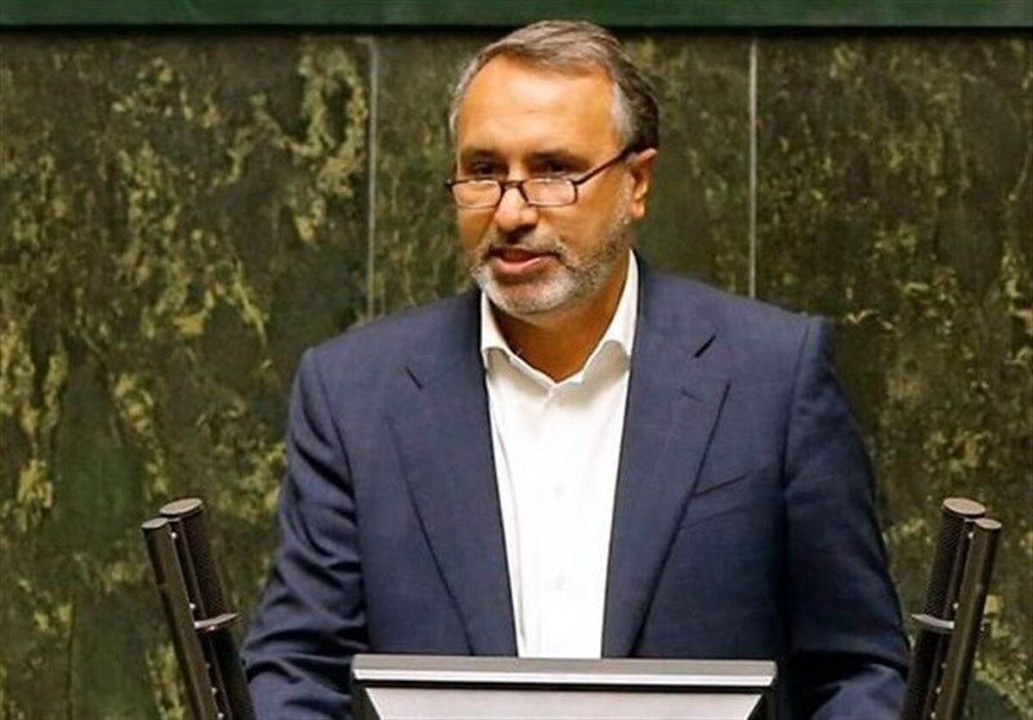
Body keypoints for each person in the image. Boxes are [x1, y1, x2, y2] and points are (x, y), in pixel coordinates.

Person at [242, 19, 908, 719]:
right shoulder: (354, 395)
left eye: (554, 171)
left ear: (636, 182)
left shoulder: (772, 377)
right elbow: (297, 669)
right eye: (483, 171)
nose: (511, 212)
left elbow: (857, 669)